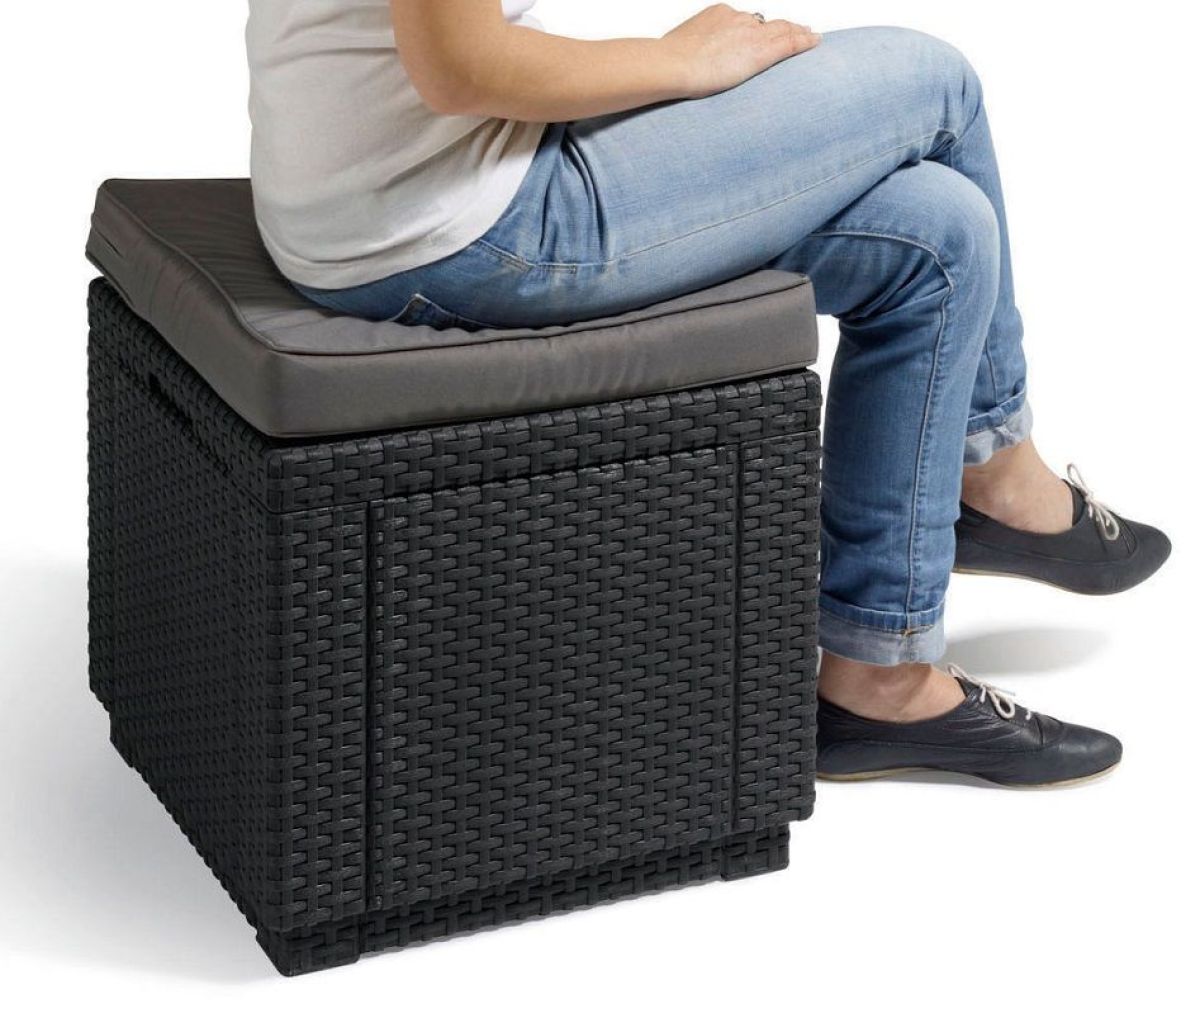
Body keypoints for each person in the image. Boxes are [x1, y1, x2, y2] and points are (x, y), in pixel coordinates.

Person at [246, 1, 1171, 787]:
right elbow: (461, 68)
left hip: (380, 200)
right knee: (935, 80)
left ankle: (878, 676)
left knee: (941, 231)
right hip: (462, 226)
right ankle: (998, 476)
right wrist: (679, 61)